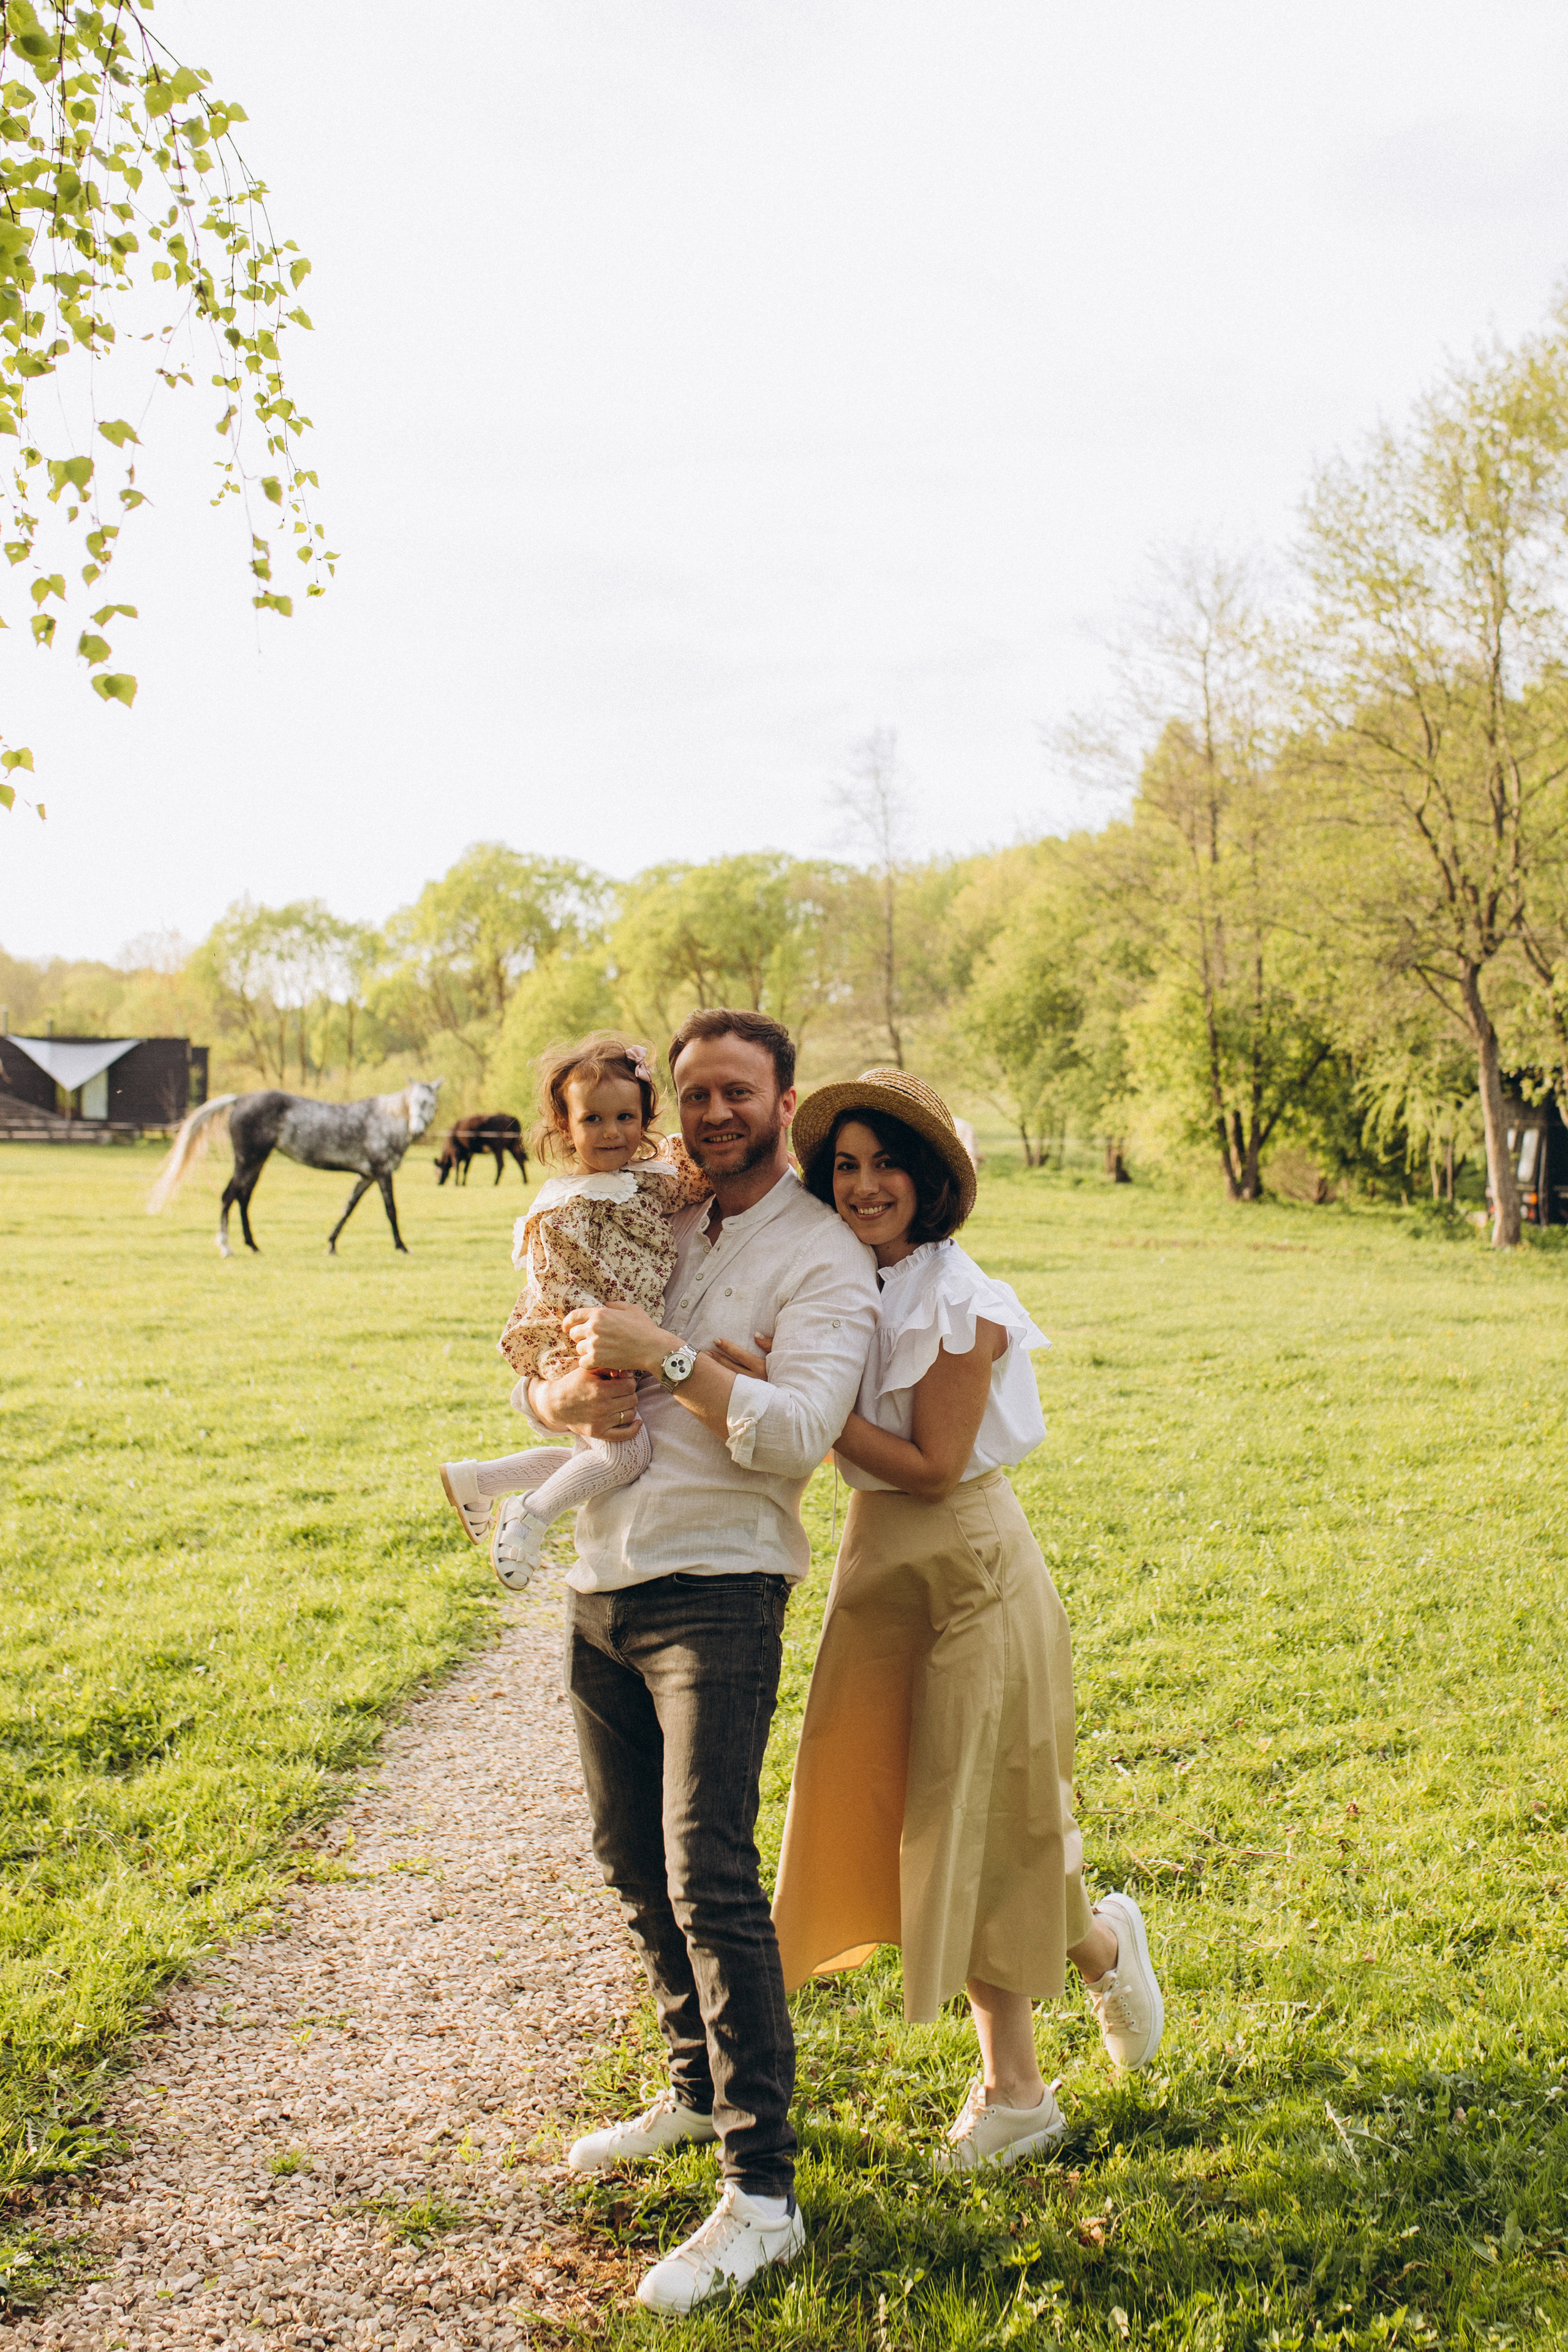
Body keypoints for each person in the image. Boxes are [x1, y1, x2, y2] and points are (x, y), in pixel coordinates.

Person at [511, 1008, 878, 2315]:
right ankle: (692, 2088)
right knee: (629, 1863)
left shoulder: (822, 1255)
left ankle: (762, 2195)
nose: (714, 1113)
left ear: (782, 1101)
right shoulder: (649, 1211)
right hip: (601, 1577)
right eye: (696, 1094)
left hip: (718, 1585)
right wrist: (558, 1399)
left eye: (738, 1092)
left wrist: (666, 1356)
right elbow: (553, 1355)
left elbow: (800, 1431)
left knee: (707, 1875)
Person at [761, 1068, 1164, 2173]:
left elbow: (934, 1467)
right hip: (879, 1569)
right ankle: (1100, 1946)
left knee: (972, 1817)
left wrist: (796, 1405)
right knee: (913, 1809)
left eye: (888, 1163)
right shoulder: (846, 1281)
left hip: (968, 1569)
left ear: (932, 1178)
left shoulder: (962, 1301)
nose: (865, 1185)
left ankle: (1016, 2095)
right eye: (846, 1165)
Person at [437, 1032, 709, 1586]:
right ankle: (530, 1514)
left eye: (625, 1117)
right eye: (593, 1120)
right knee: (625, 1458)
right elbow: (558, 1285)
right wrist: (598, 1351)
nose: (612, 1133)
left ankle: (478, 1481)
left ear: (645, 1118)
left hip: (623, 1338)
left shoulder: (648, 1178)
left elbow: (697, 1182)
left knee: (596, 1455)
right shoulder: (567, 1207)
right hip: (586, 1339)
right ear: (565, 1126)